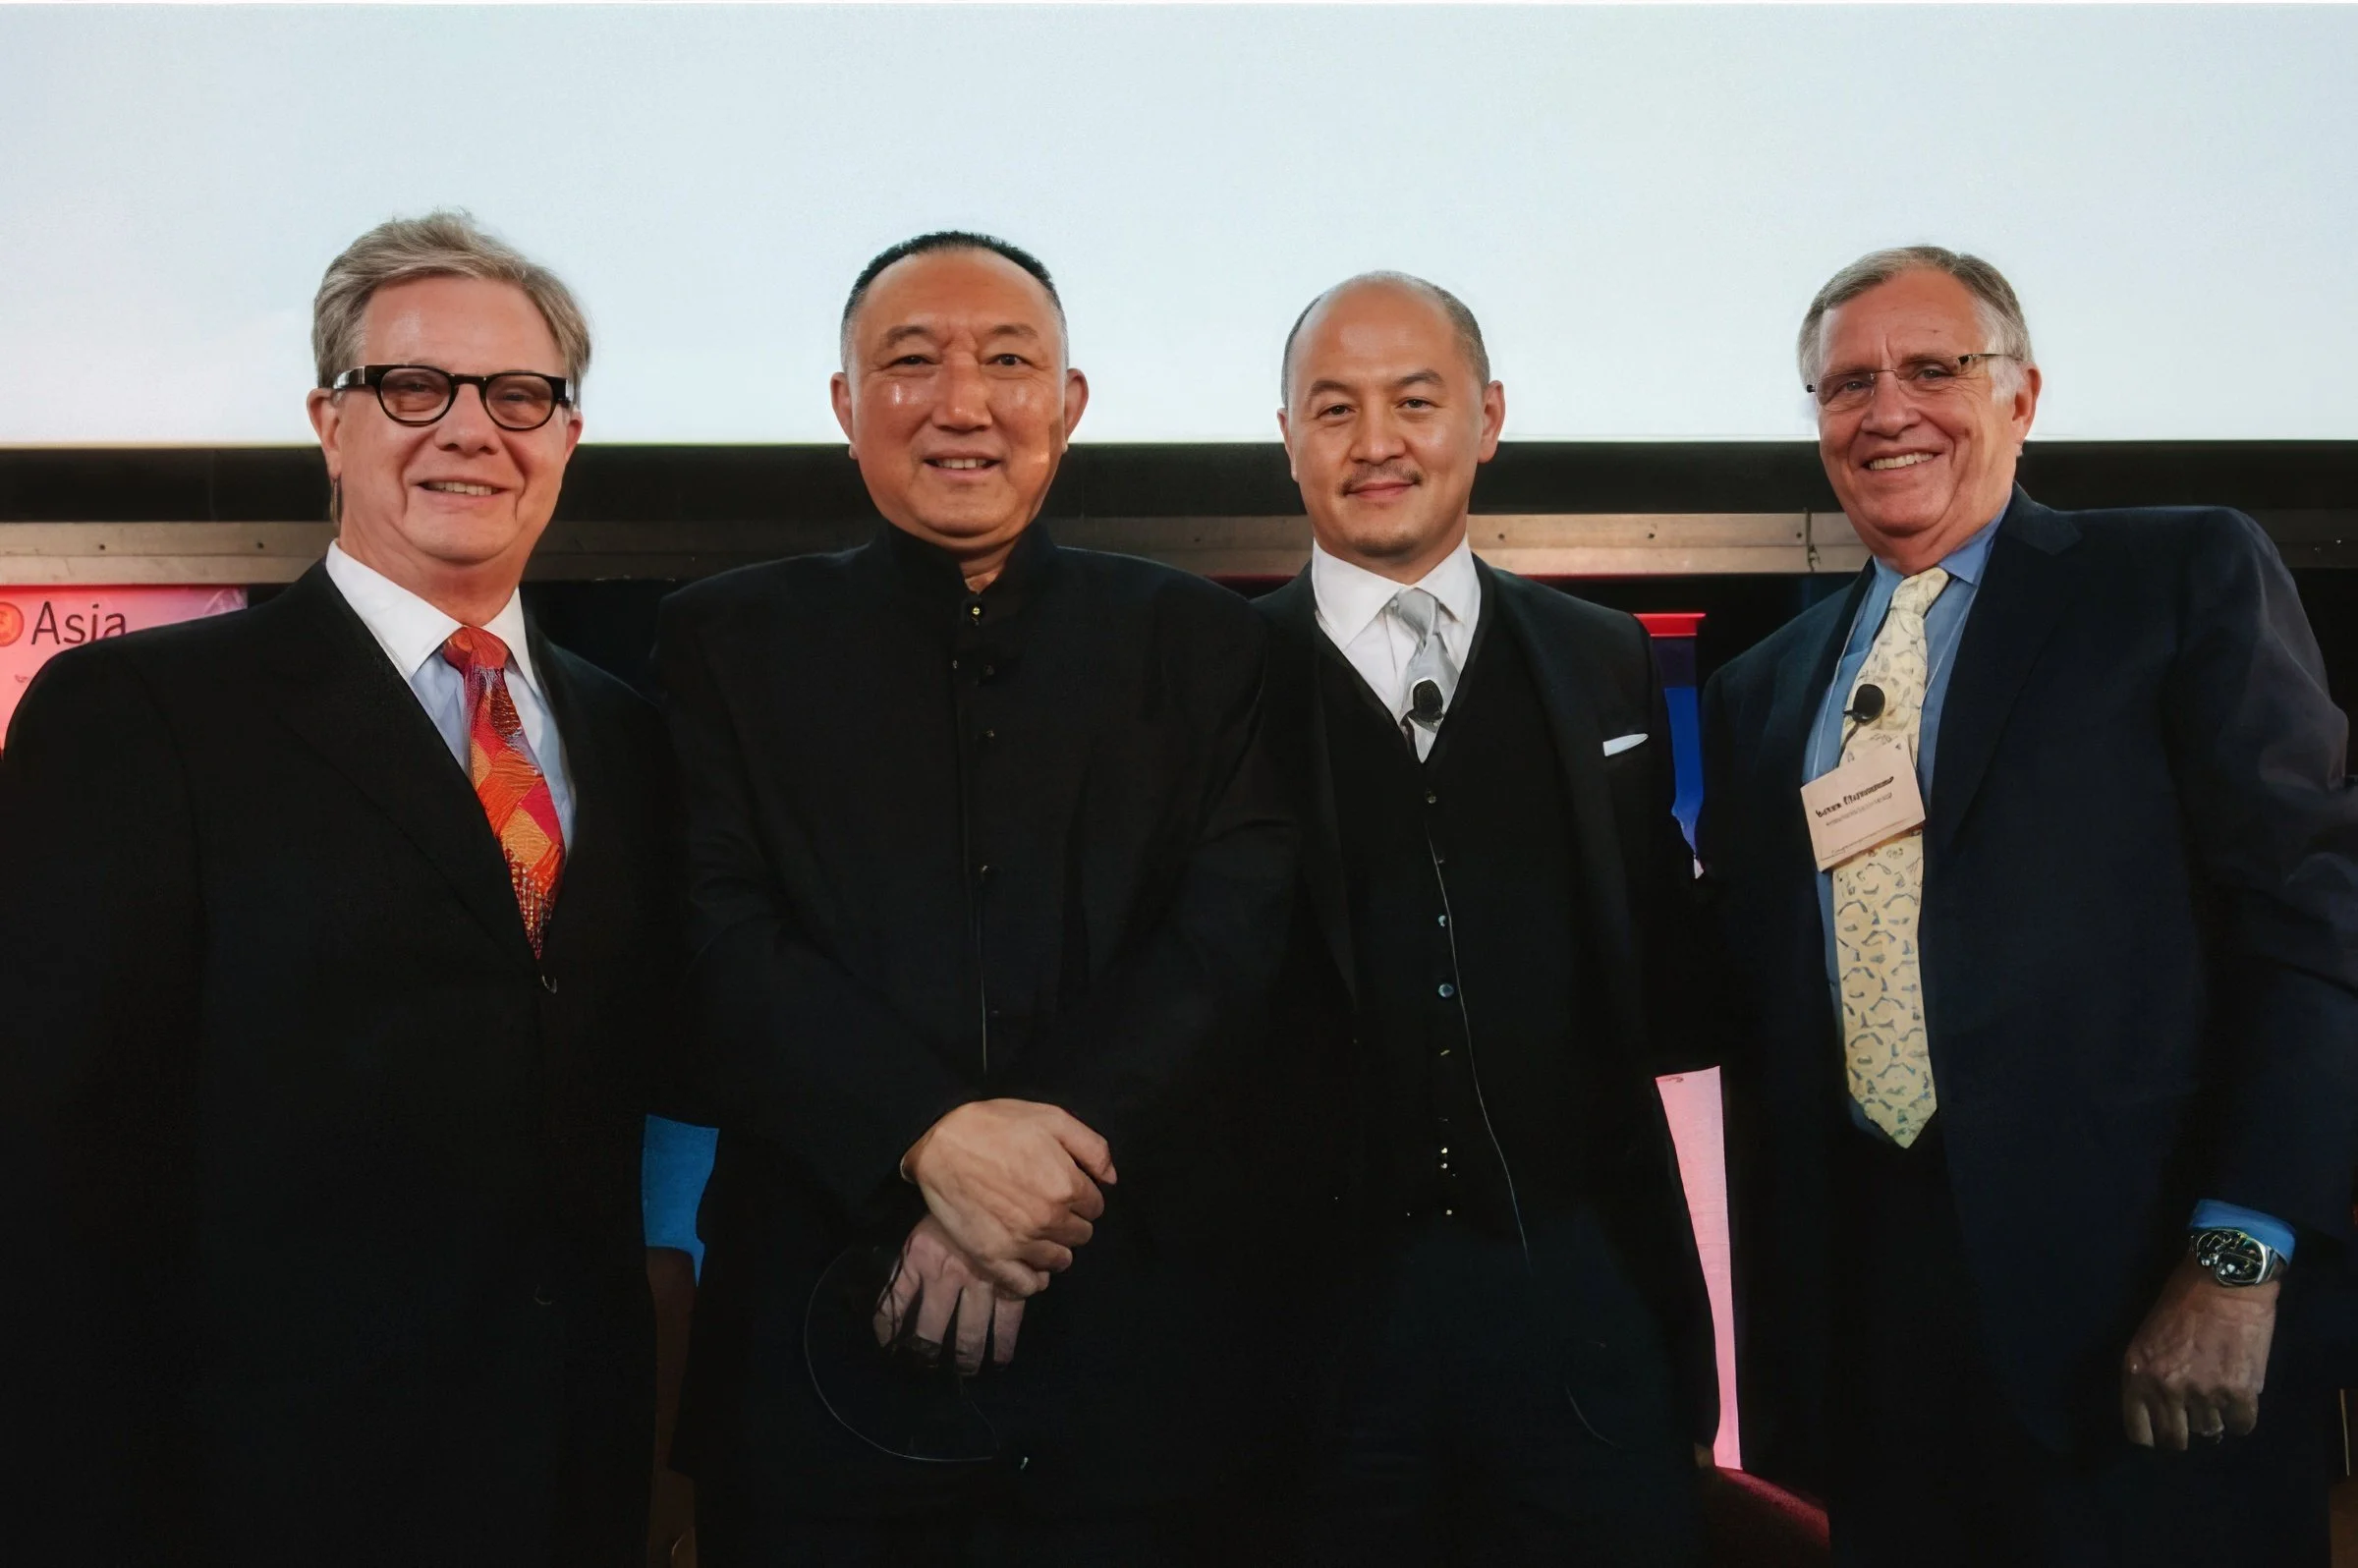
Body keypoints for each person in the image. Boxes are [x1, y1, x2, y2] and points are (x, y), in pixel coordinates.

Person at [0, 211, 681, 1566]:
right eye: (413, 388)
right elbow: (48, 1174)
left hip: (567, 1489)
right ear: (331, 420)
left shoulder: (634, 735)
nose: (470, 430)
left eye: (520, 395)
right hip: (251, 1494)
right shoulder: (136, 713)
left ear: (567, 438)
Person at [1699, 245, 2358, 1565]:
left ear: (2024, 395)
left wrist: (2238, 1261)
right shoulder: (1763, 690)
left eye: (1934, 369)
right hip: (1880, 1362)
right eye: (1845, 385)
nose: (1888, 411)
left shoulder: (2175, 580)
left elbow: (2313, 934)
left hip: (2149, 1333)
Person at [656, 231, 1294, 1564]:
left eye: (1010, 363)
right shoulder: (725, 641)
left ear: (1068, 406)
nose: (962, 403)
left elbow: (1231, 940)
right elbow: (715, 935)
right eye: (911, 363)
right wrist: (928, 1138)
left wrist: (1033, 1159)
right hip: (819, 1364)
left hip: (1146, 1376)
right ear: (844, 408)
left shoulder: (1204, 644)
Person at [1255, 272, 1717, 1565]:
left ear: (1489, 415)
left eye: (1415, 399)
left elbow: (1659, 962)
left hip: (1580, 1296)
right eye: (1333, 408)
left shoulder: (1601, 655)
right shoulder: (1209, 680)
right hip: (1310, 1328)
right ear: (1287, 436)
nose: (1377, 440)